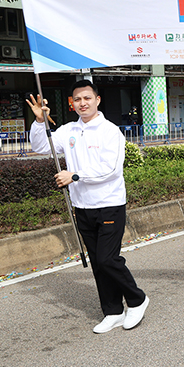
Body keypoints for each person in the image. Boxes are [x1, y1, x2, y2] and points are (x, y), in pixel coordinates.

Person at [27, 81, 149, 334]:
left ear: (97, 100)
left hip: (109, 204)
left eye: (87, 98)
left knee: (107, 258)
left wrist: (74, 176)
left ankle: (137, 299)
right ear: (71, 103)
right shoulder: (68, 130)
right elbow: (41, 147)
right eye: (77, 99)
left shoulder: (110, 131)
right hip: (82, 206)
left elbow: (110, 169)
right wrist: (40, 122)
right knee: (97, 263)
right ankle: (113, 311)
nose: (82, 103)